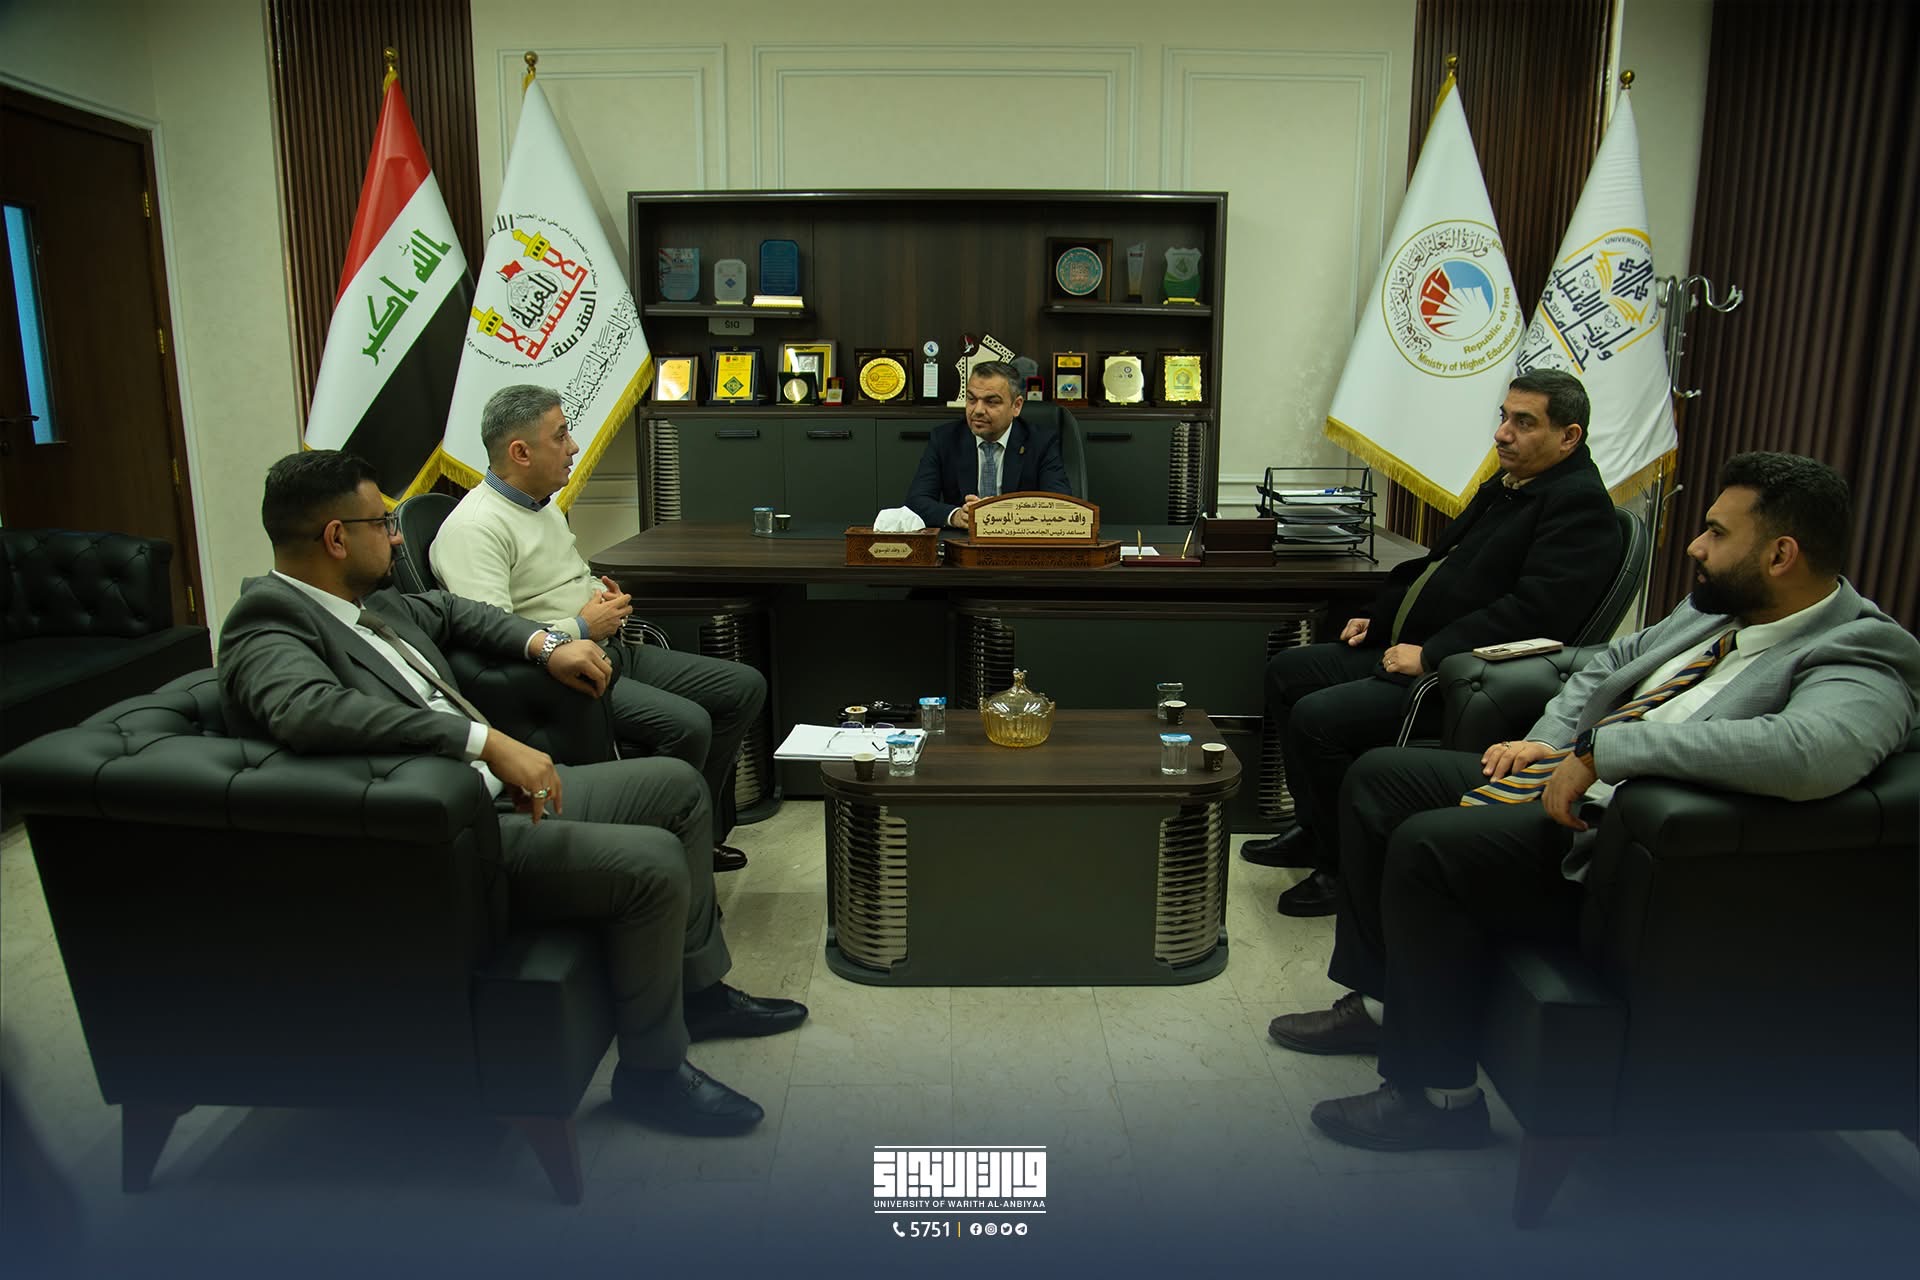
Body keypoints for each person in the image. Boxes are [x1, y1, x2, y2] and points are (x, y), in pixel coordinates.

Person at [1267, 452, 1920, 1151]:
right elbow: (1609, 661)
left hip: (1628, 840)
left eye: (1716, 532)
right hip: (1572, 779)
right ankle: (1381, 1003)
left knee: (1428, 845)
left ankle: (1438, 1100)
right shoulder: (1718, 610)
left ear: (1781, 554)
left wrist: (1608, 752)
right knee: (1379, 780)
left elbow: (1811, 751)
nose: (1695, 546)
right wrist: (1550, 741)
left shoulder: (1864, 651)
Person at [220, 450, 808, 1136]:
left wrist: (547, 644)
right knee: (650, 861)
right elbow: (307, 712)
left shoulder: (373, 602)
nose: (399, 538)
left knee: (676, 788)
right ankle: (652, 1075)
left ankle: (697, 994)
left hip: (491, 796)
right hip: (444, 832)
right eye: (383, 522)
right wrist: (484, 742)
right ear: (335, 538)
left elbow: (456, 613)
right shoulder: (268, 622)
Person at [1240, 369, 1619, 918]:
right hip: (1416, 647)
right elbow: (1437, 569)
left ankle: (1345, 867)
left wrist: (1432, 655)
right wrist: (1380, 619)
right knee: (1288, 672)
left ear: (1569, 436)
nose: (1502, 434)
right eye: (1504, 417)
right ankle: (1317, 828)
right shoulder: (1513, 485)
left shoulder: (1578, 506)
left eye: (1524, 422)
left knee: (1318, 719)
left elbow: (1536, 614)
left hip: (1465, 676)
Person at [430, 385, 768, 874]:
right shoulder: (474, 528)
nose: (573, 447)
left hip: (605, 647)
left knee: (743, 686)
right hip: (559, 674)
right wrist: (582, 625)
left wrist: (602, 595)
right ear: (520, 452)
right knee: (689, 724)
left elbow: (564, 579)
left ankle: (700, 833)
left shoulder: (540, 503)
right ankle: (663, 850)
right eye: (560, 436)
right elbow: (488, 635)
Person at [905, 360, 1072, 529]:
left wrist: (1002, 513)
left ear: (1016, 406)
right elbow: (916, 501)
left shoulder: (1041, 442)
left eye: (991, 401)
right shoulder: (945, 439)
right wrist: (956, 516)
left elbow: (1061, 506)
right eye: (971, 399)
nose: (978, 410)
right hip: (962, 539)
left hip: (1019, 538)